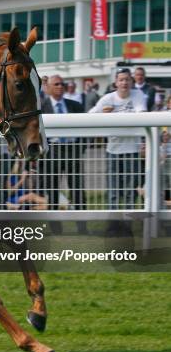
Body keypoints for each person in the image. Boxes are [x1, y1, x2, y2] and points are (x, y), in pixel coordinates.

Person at [89, 68, 147, 215]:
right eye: (121, 79)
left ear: (132, 81)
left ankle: (128, 219)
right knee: (113, 188)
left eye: (127, 79)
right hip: (112, 150)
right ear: (116, 82)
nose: (124, 82)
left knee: (130, 187)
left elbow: (142, 115)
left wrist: (114, 116)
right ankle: (112, 220)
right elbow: (90, 115)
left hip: (132, 150)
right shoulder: (108, 98)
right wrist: (104, 115)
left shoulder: (138, 94)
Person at [41, 75, 87, 234]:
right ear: (48, 87)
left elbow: (86, 130)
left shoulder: (76, 105)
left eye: (62, 84)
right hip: (52, 151)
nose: (60, 86)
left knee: (77, 189)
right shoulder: (40, 107)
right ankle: (55, 229)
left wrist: (80, 149)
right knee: (52, 190)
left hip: (72, 150)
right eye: (56, 84)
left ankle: (82, 227)